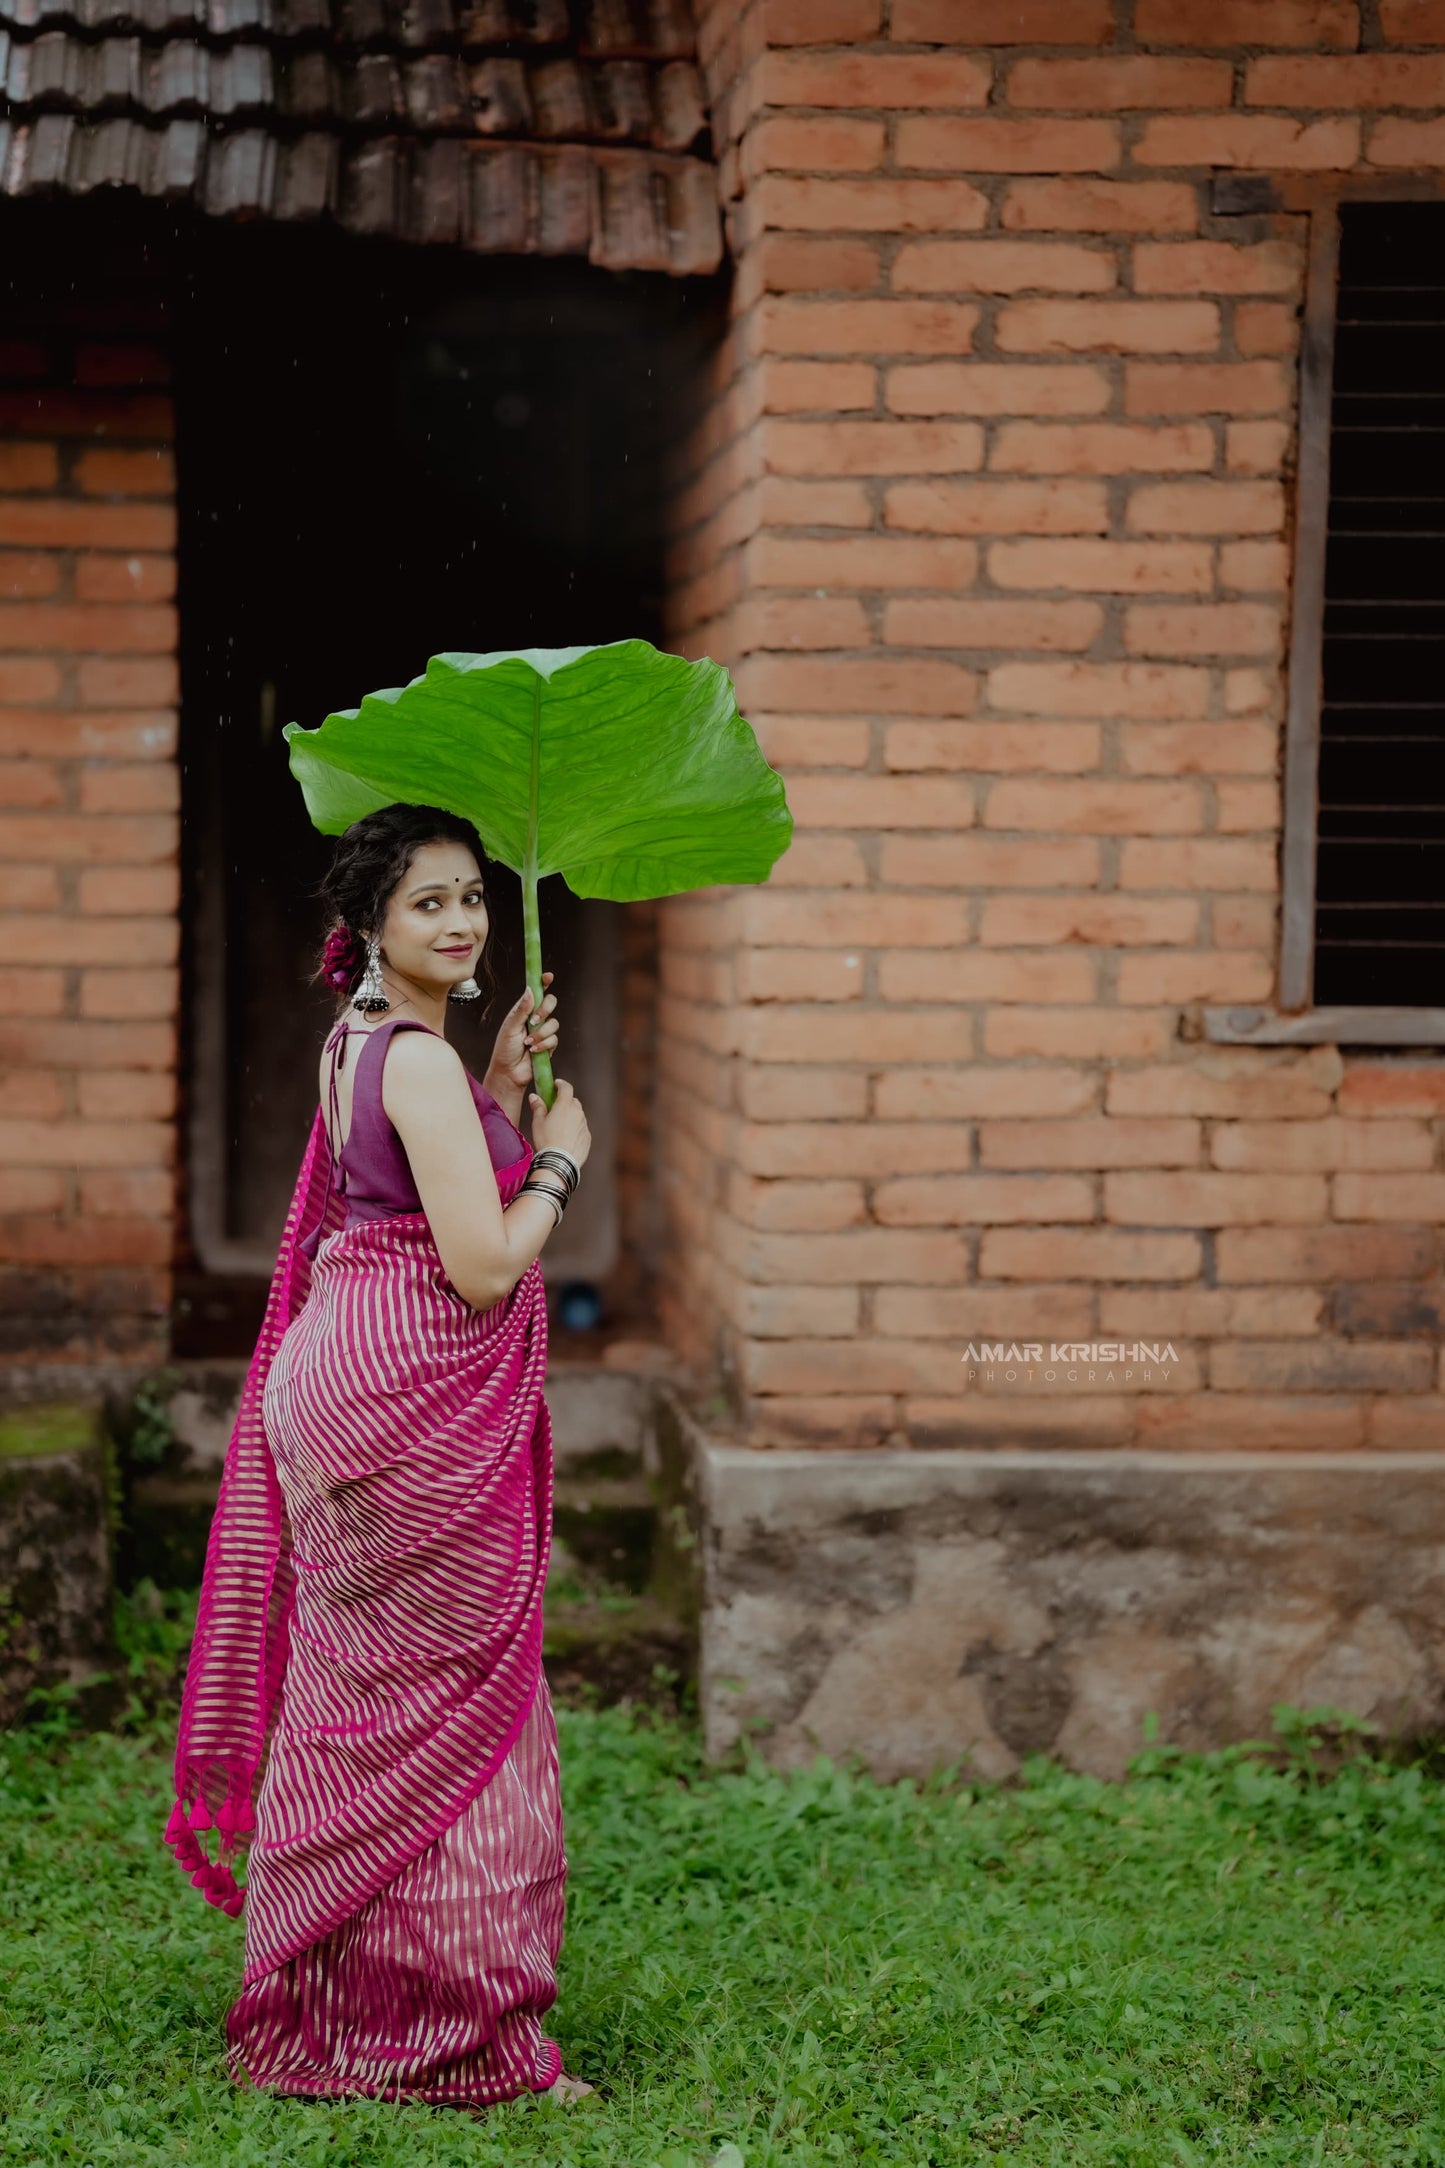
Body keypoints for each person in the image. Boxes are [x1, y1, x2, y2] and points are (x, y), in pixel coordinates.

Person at [165, 802, 595, 2108]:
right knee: (458, 1714)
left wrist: (504, 1085)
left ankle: (339, 2002)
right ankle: (452, 2040)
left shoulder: (367, 1044)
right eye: (429, 904)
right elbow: (478, 1262)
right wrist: (562, 1156)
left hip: (346, 1381)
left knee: (369, 1711)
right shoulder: (413, 1061)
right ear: (364, 926)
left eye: (472, 896)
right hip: (405, 1398)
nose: (463, 921)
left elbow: (414, 1173)